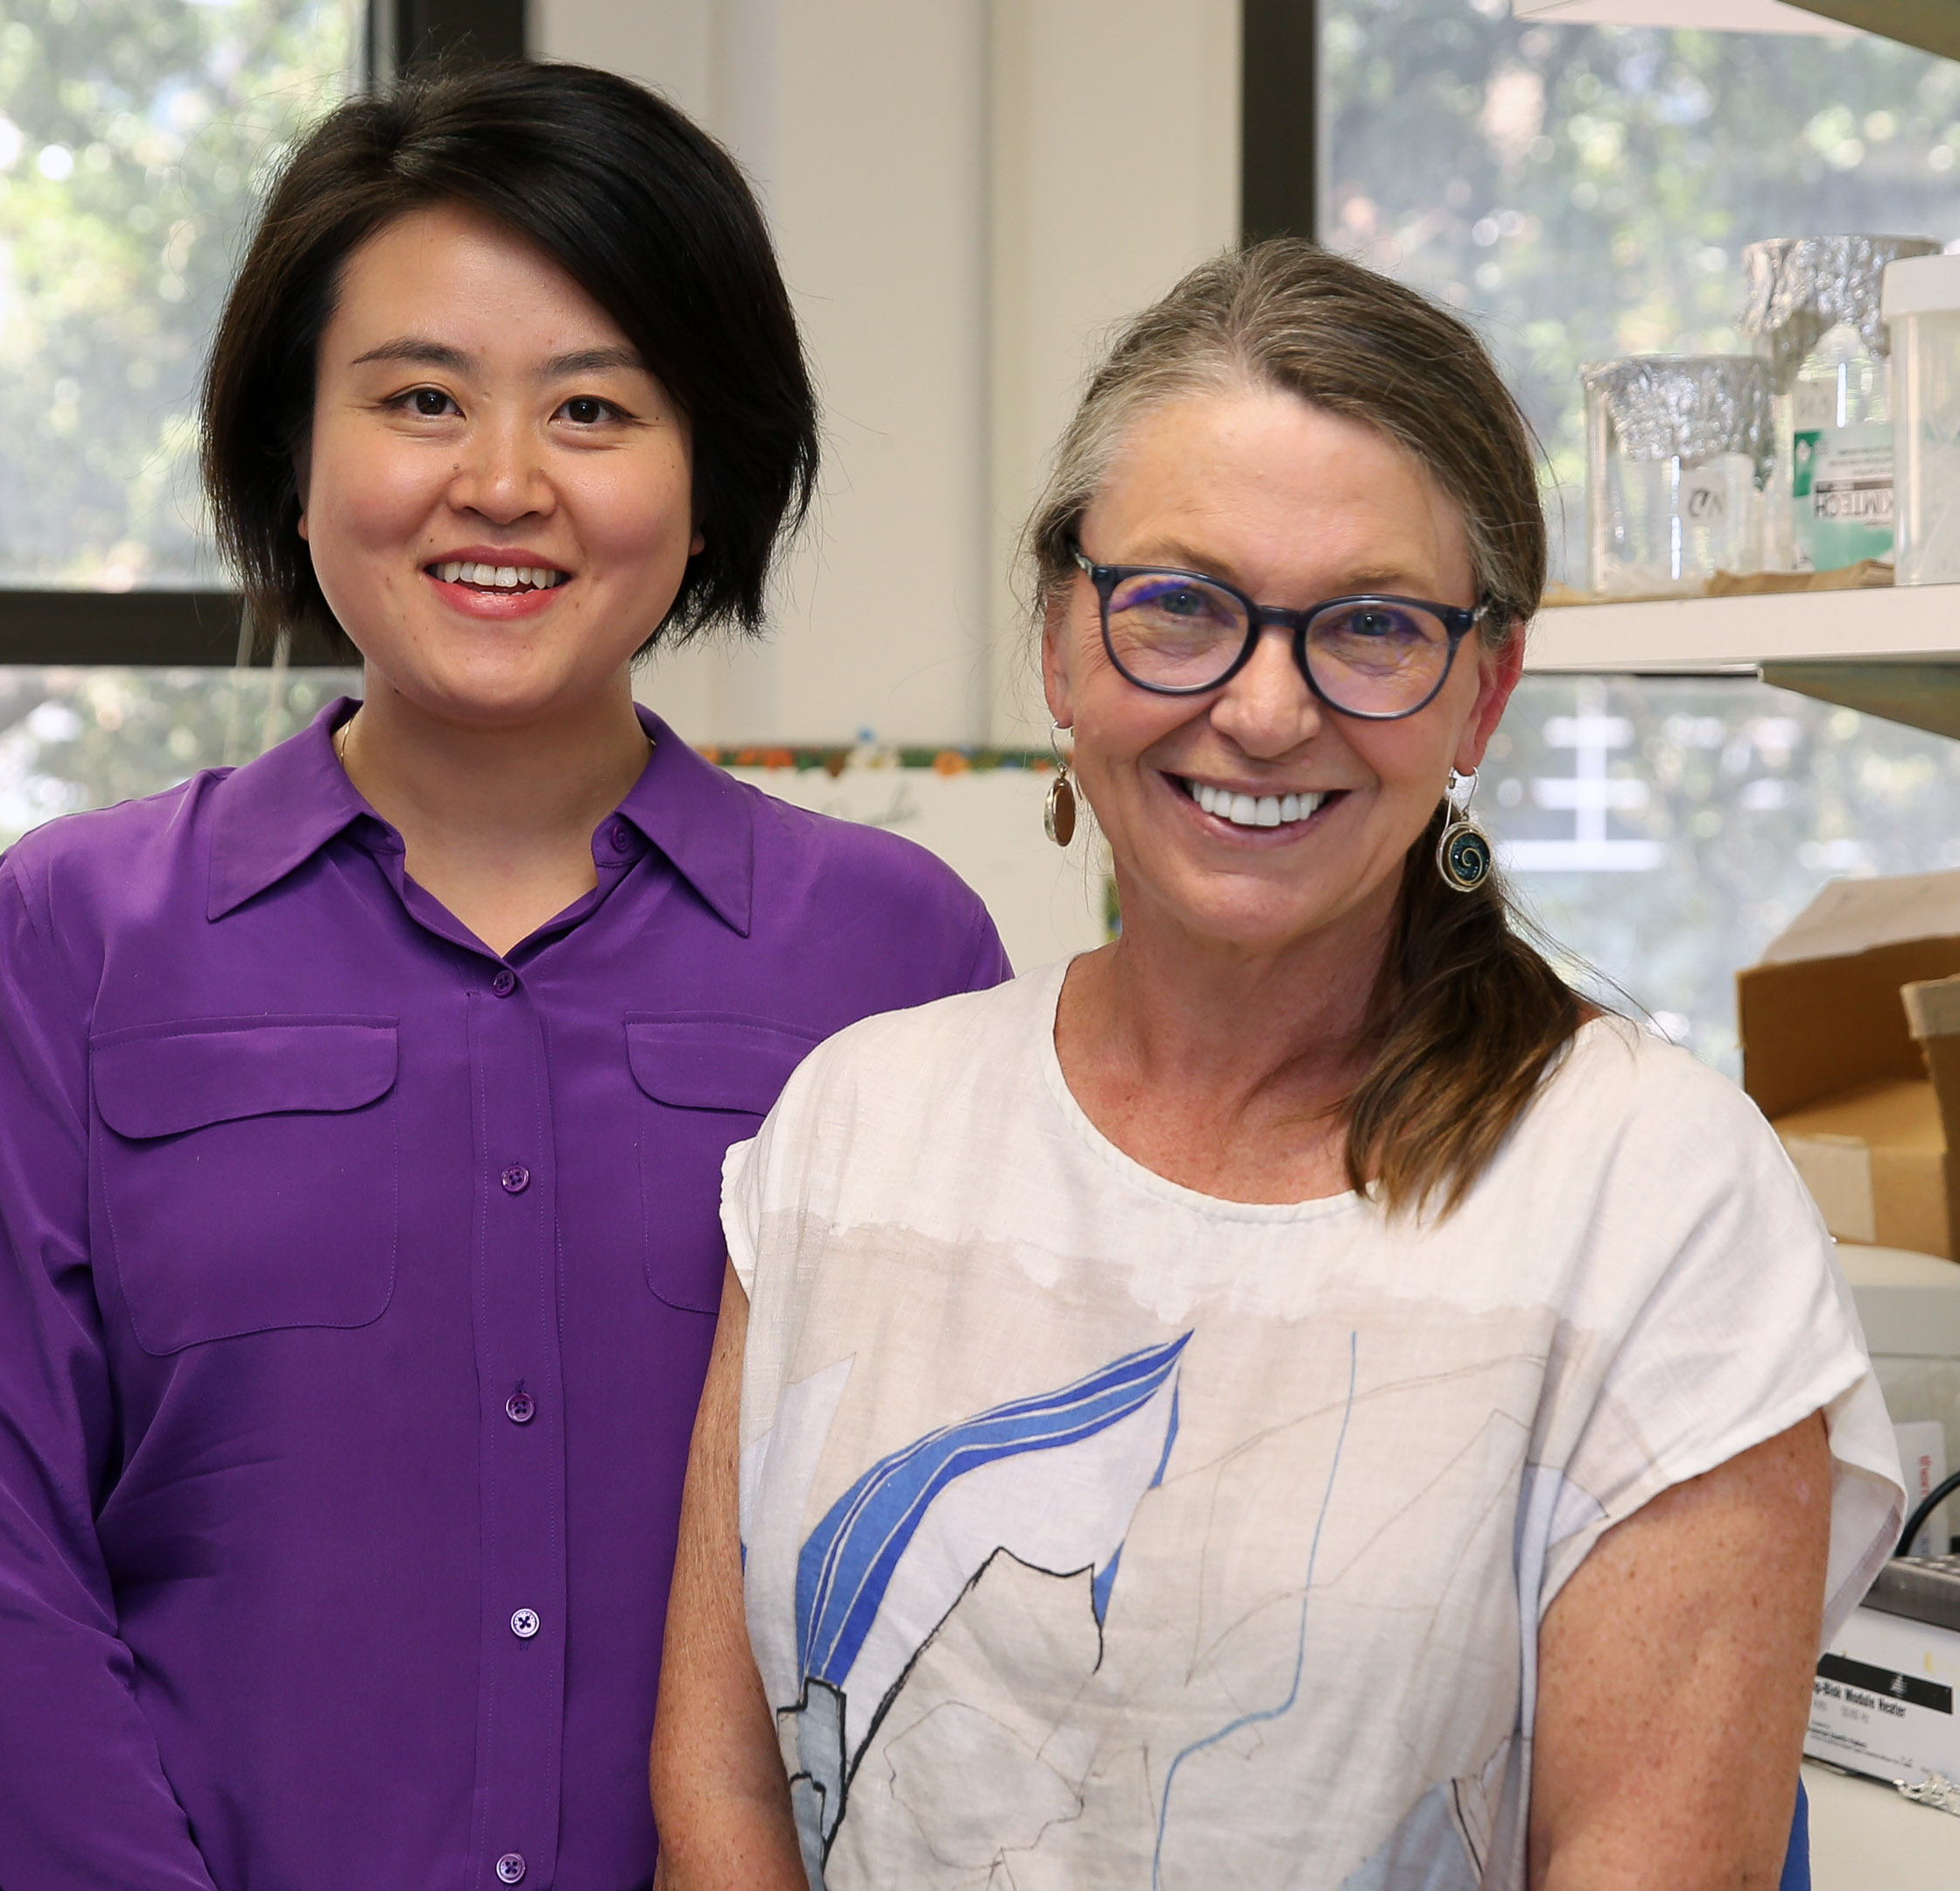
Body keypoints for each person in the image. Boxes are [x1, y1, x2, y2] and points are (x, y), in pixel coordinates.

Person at [0, 60, 1008, 1891]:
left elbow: (953, 1561)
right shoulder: (72, 934)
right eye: (416, 399)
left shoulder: (899, 957)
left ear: (709, 475)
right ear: (288, 457)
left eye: (592, 409)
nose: (500, 485)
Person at [650, 239, 1903, 1891]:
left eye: (1371, 628)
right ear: (1059, 640)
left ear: (1484, 690)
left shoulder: (1654, 1200)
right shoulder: (853, 1131)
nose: (1261, 709)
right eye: (1179, 605)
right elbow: (725, 1808)